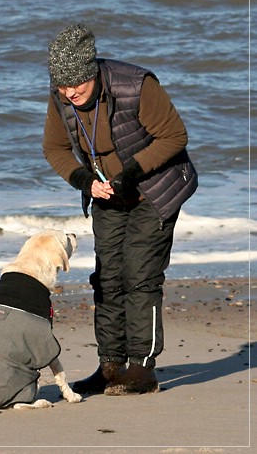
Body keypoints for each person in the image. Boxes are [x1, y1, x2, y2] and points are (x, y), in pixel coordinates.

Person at [43, 23, 198, 396]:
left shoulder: (137, 85)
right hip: (107, 196)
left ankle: (142, 370)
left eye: (76, 86)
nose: (69, 93)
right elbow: (55, 148)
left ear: (92, 72)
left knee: (140, 277)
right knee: (108, 280)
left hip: (154, 192)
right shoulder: (62, 96)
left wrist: (130, 174)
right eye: (63, 87)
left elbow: (175, 136)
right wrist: (83, 180)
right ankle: (111, 367)